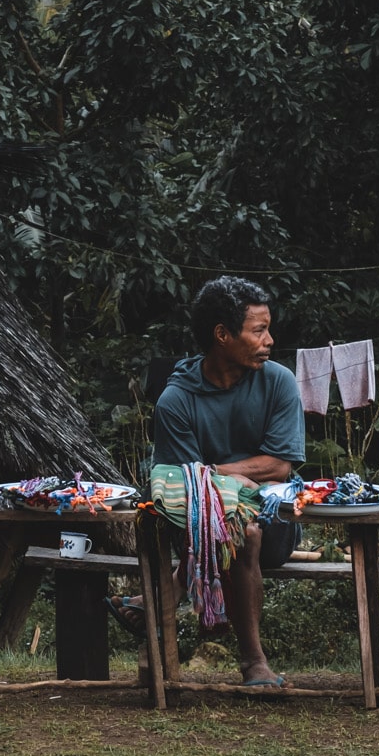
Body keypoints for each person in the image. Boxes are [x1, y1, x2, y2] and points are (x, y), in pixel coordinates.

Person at [152, 275, 305, 687]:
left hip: (276, 526)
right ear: (222, 335)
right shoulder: (175, 401)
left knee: (251, 531)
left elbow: (280, 467)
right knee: (243, 534)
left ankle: (159, 599)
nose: (270, 340)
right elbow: (185, 489)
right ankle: (254, 661)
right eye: (259, 331)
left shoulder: (278, 381)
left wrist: (215, 473)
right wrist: (230, 487)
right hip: (200, 531)